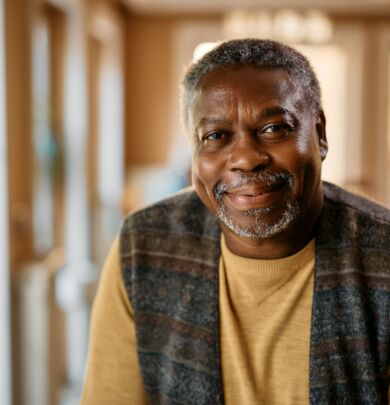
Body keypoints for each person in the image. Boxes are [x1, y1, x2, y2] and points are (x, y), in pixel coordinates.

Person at [81, 39, 390, 405]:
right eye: (216, 136)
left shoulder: (383, 258)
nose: (245, 158)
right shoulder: (143, 246)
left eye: (274, 128)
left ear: (319, 134)